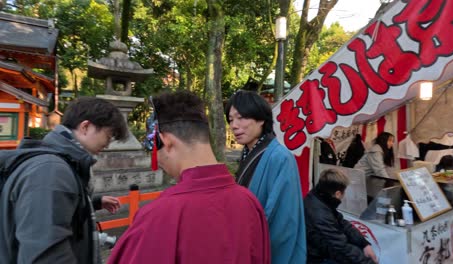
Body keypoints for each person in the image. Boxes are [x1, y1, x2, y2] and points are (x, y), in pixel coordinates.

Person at [108, 91, 270, 264]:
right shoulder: (249, 202)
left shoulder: (157, 216)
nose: (155, 159)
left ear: (166, 141)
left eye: (152, 148)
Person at [0, 97, 128, 263]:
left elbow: (48, 210)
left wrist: (92, 202)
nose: (108, 144)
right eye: (108, 135)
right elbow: (47, 255)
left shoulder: (57, 163)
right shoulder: (51, 170)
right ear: (86, 127)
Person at [225, 90, 306, 264]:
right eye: (231, 120)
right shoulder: (249, 152)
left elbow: (283, 220)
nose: (234, 125)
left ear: (261, 119)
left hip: (265, 249)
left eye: (240, 118)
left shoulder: (281, 157)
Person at [304, 168, 378, 264]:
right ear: (338, 194)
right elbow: (341, 247)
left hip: (324, 250)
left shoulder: (319, 197)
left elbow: (342, 222)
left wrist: (364, 243)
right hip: (317, 257)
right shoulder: (319, 212)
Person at [354, 132, 397, 200]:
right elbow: (379, 170)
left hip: (366, 179)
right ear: (383, 140)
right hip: (359, 180)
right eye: (390, 140)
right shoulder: (376, 151)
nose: (392, 143)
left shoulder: (380, 151)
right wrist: (390, 183)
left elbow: (384, 169)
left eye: (393, 141)